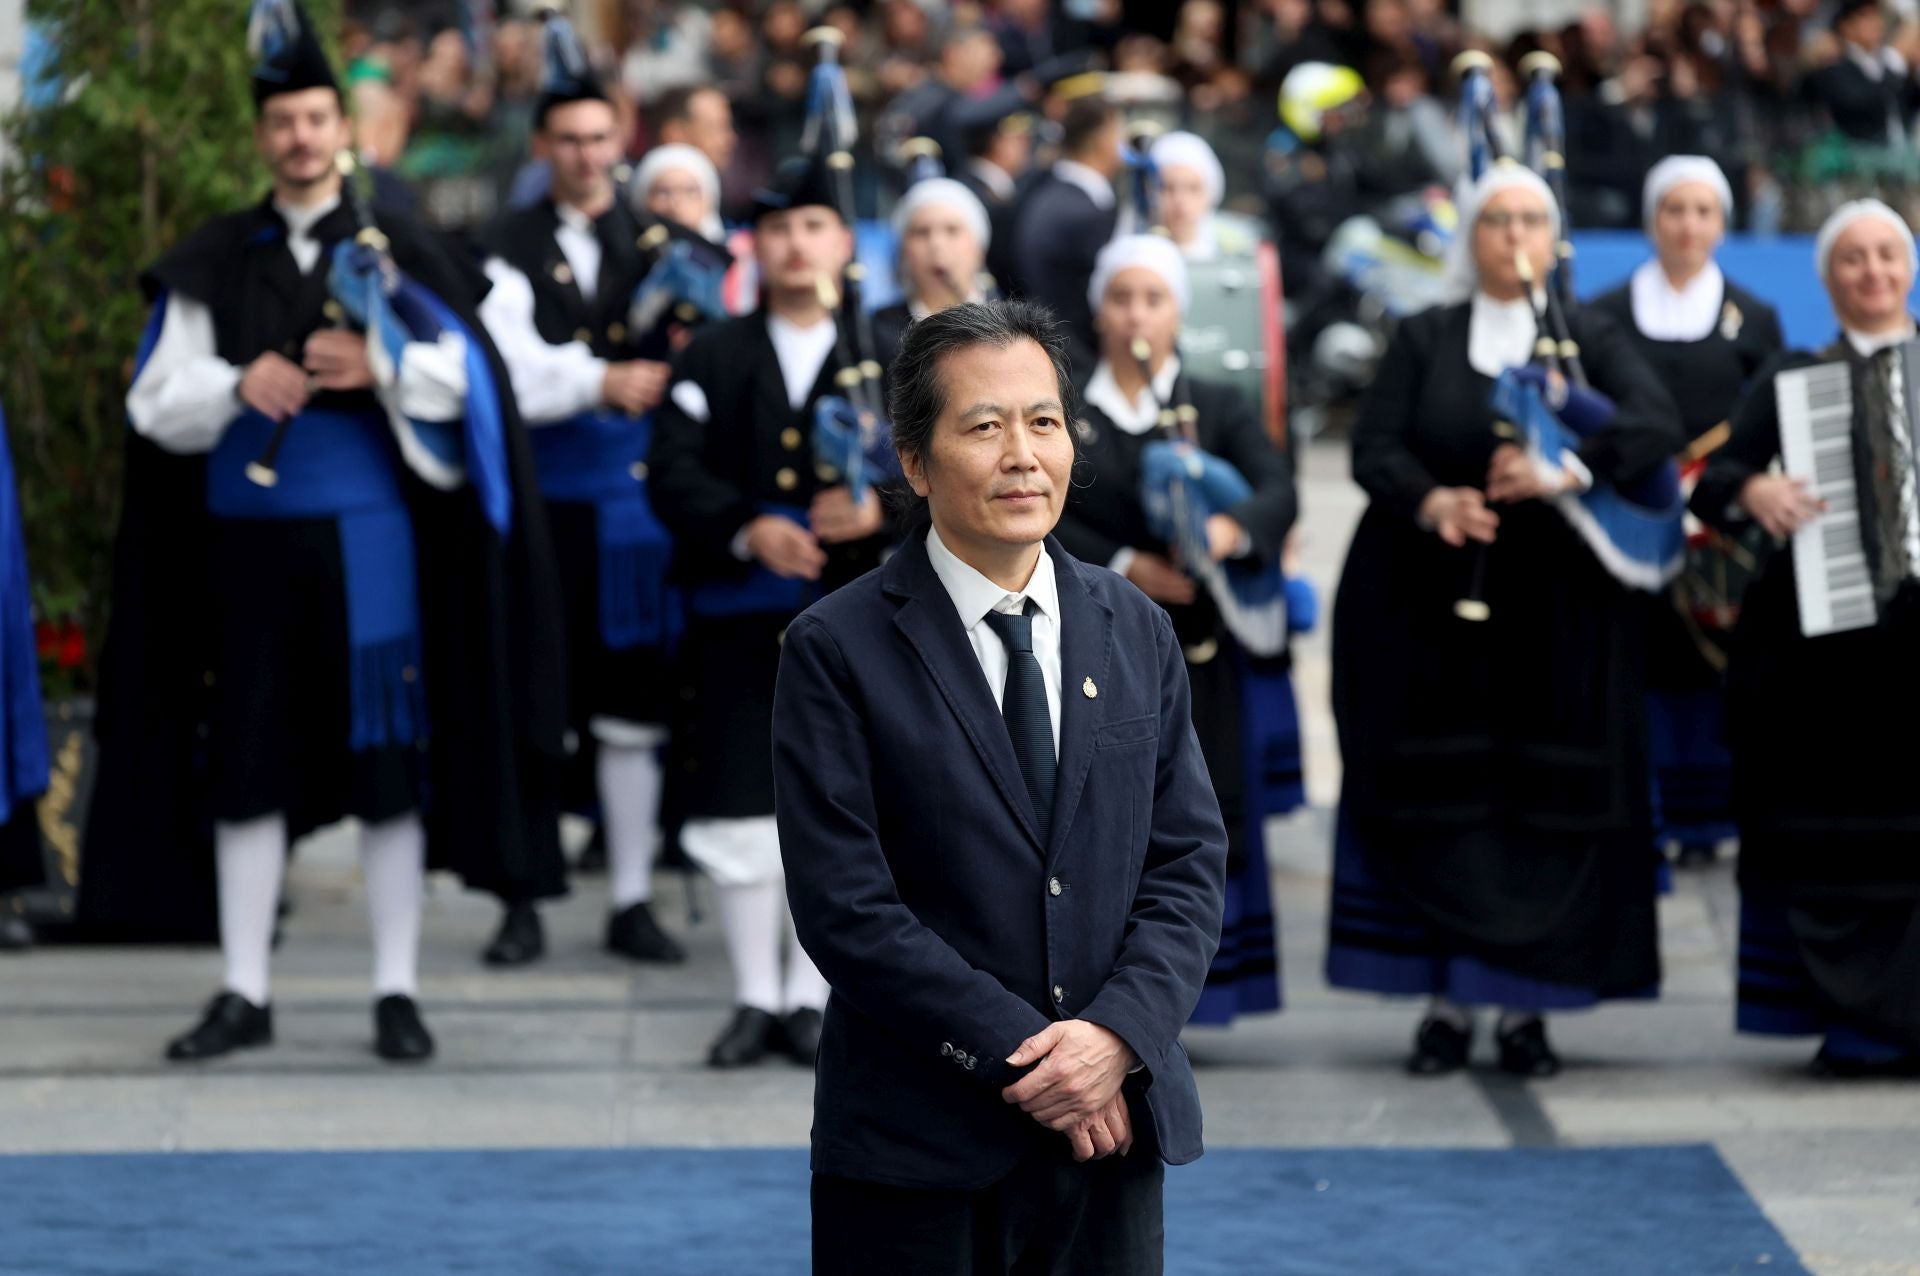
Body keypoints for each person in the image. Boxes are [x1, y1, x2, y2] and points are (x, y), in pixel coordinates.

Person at [116, 5, 566, 1062]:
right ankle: (243, 990)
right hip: (246, 548)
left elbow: (477, 381)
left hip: (374, 548)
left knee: (383, 763)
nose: (303, 137)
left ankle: (396, 990)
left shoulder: (399, 244)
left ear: (344, 131)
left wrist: (387, 368)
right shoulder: (216, 255)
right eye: (284, 122)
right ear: (263, 135)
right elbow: (153, 401)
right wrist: (239, 380)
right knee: (246, 762)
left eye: (319, 118)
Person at [774, 299, 1226, 1275]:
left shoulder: (1133, 625)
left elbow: (1187, 862)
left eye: (1045, 421)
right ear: (913, 460)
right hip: (917, 1147)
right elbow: (847, 908)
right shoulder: (836, 649)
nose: (1024, 454)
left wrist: (1116, 1036)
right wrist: (1042, 1059)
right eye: (984, 426)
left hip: (1106, 1139)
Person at [1326, 165, 1682, 1077]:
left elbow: (1653, 426)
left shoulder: (1586, 337)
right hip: (1429, 615)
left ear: (1551, 237)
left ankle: (1531, 1012)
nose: (1513, 235)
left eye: (1531, 219)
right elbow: (1374, 448)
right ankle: (1445, 1005)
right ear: (1471, 236)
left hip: (1558, 625)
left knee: (1538, 811)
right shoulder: (1425, 334)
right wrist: (1434, 500)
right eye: (1496, 220)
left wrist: (1567, 470)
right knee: (1450, 809)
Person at [649, 153, 891, 1069]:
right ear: (758, 243)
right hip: (740, 612)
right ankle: (755, 994)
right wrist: (747, 527)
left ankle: (813, 996)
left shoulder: (889, 351)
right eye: (780, 229)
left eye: (814, 228)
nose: (797, 246)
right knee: (741, 793)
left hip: (860, 611)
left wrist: (879, 509)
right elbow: (672, 468)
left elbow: (942, 464)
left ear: (842, 240)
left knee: (845, 797)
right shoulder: (714, 349)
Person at [475, 24, 690, 969]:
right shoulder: (502, 242)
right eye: (568, 140)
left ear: (623, 139)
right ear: (541, 147)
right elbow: (501, 374)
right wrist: (596, 381)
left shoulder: (663, 243)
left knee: (633, 711)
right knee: (533, 699)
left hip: (636, 516)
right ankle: (521, 896)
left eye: (601, 138)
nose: (587, 156)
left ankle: (633, 897)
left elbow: (709, 365)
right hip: (541, 505)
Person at [1691, 199, 1920, 1077]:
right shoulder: (1794, 376)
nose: (1874, 273)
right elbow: (1715, 480)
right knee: (1832, 842)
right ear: (1829, 279)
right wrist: (1753, 495)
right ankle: (1852, 1024)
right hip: (1826, 662)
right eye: (1854, 260)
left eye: (1888, 256)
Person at [1055, 236, 1298, 1026]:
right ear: (1098, 309)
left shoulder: (1216, 401)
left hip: (1201, 650)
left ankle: (1199, 991)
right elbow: (1044, 511)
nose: (1136, 315)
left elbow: (1277, 489)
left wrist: (1231, 532)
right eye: (1121, 297)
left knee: (1200, 807)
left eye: (1152, 299)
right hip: (1092, 642)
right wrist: (1123, 561)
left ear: (1177, 311)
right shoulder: (1070, 409)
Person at [1590, 156, 1785, 866]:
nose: (1688, 225)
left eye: (1703, 211)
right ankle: (1646, 810)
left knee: (1711, 670)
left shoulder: (1754, 319)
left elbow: (1771, 422)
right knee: (1635, 661)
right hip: (1630, 522)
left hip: (1717, 537)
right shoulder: (1604, 315)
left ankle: (1708, 821)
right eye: (1675, 208)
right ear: (1651, 219)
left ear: (1722, 223)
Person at [1010, 95, 1122, 374]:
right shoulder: (1084, 213)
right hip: (1075, 362)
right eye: (1119, 134)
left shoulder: (1041, 193)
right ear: (1103, 140)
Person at [871, 169, 994, 370]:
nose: (936, 244)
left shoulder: (1014, 328)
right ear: (903, 252)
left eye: (952, 230)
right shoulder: (877, 334)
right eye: (921, 232)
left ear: (978, 248)